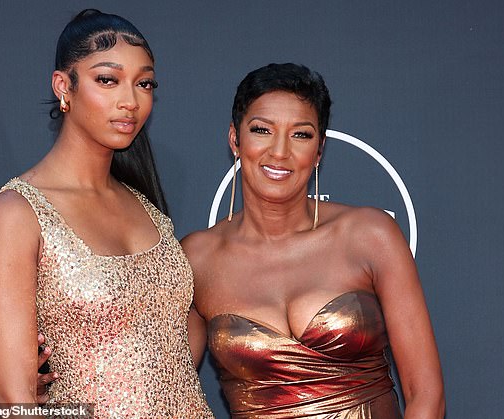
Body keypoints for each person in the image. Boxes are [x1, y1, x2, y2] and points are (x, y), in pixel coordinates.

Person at [0, 9, 213, 418]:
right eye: (108, 79)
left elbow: (177, 338)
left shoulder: (146, 207)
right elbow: (15, 403)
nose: (130, 101)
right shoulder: (16, 214)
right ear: (64, 86)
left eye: (144, 83)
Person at [181, 63, 445, 418]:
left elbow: (425, 395)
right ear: (235, 140)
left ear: (319, 150)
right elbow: (168, 390)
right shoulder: (197, 257)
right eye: (262, 130)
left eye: (300, 135)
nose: (279, 151)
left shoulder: (371, 235)